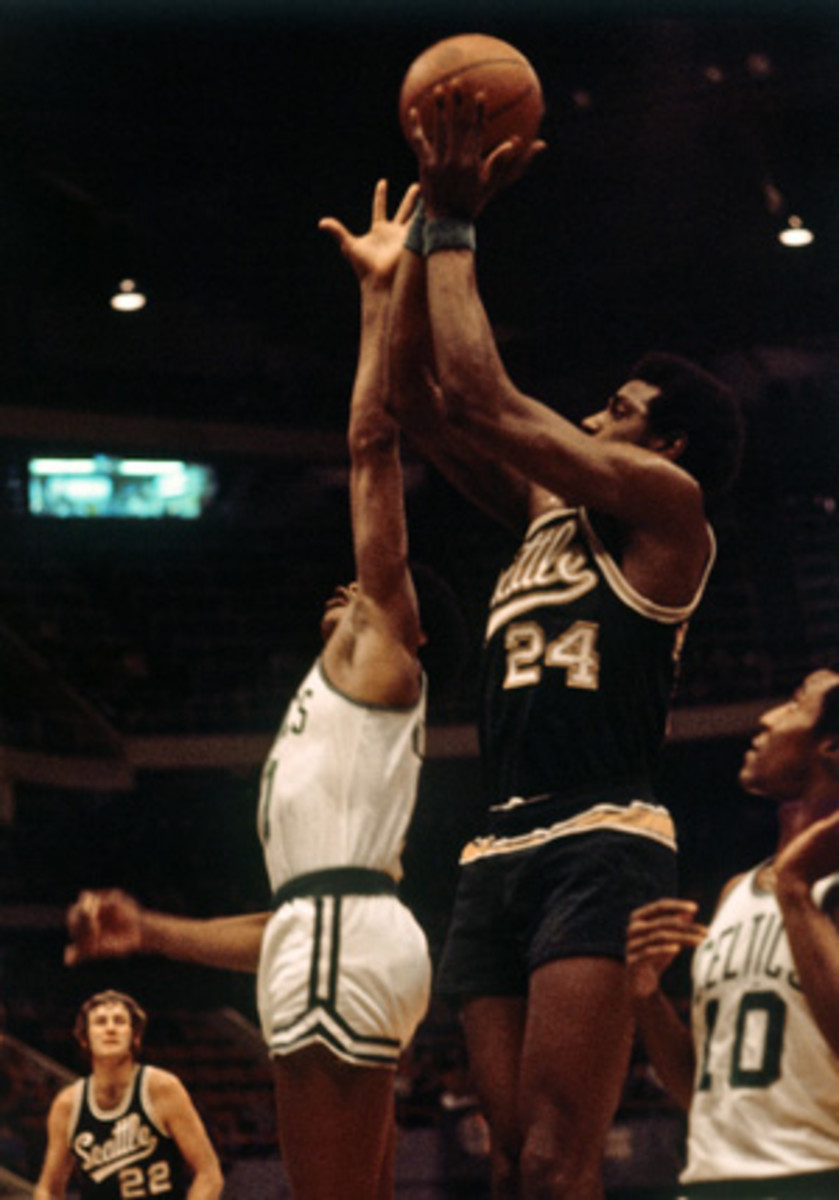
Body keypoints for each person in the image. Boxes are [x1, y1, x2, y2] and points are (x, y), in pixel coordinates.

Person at [387, 85, 744, 1198]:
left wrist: (453, 220)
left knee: (555, 1160)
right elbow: (419, 400)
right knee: (509, 1163)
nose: (592, 421)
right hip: (496, 841)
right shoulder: (549, 517)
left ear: (664, 443)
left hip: (600, 837)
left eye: (617, 411)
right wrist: (396, 272)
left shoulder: (667, 511)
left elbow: (486, 397)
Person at [63, 180, 438, 1200]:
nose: (345, 586)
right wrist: (150, 935)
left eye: (360, 587)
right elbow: (288, 922)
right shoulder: (334, 722)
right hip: (332, 937)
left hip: (338, 950)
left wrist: (375, 302)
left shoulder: (381, 657)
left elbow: (370, 452)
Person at [626, 668, 839, 1199]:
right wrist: (648, 997)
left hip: (813, 1179)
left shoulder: (813, 890)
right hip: (710, 1181)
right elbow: (705, 1092)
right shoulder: (737, 892)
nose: (766, 719)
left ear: (831, 749)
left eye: (794, 706)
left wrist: (795, 890)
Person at [34, 989, 223, 1200]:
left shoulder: (161, 1088)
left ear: (136, 1037)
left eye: (119, 1021)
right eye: (100, 1022)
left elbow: (209, 1174)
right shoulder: (68, 1104)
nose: (110, 1028)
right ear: (84, 1039)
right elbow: (48, 1189)